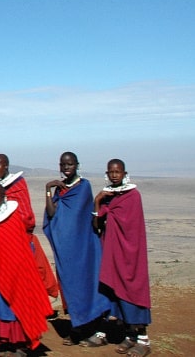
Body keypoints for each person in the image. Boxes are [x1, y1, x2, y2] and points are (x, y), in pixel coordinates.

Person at [0, 183, 53, 356]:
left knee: (13, 304)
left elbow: (10, 249)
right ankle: (2, 342)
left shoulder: (12, 220)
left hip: (12, 272)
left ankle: (20, 344)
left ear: (3, 197)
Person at [42, 152, 110, 345]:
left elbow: (75, 218)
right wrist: (48, 189)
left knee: (88, 285)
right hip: (66, 250)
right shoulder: (60, 190)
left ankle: (99, 331)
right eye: (63, 165)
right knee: (71, 286)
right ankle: (79, 326)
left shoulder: (83, 187)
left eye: (70, 164)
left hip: (84, 248)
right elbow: (53, 214)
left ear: (77, 165)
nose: (66, 168)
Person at [93, 159, 152, 357]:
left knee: (133, 289)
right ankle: (129, 336)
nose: (114, 175)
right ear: (107, 173)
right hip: (112, 253)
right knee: (115, 291)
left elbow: (132, 227)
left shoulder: (132, 196)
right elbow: (96, 225)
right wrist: (97, 200)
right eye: (111, 172)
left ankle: (143, 340)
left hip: (130, 253)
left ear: (125, 172)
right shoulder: (108, 196)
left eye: (118, 171)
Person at [0, 154, 58, 299]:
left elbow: (25, 214)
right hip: (4, 239)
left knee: (29, 273)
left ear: (6, 165)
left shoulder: (18, 185)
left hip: (20, 236)